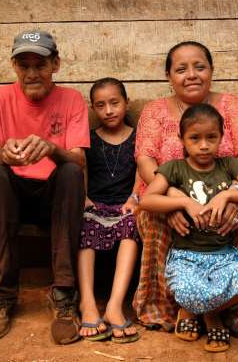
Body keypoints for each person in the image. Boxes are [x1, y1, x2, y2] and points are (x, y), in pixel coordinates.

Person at [133, 41, 238, 340]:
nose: (191, 75)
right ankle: (174, 307)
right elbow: (145, 160)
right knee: (152, 215)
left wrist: (231, 197)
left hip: (228, 193)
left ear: (211, 71)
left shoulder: (232, 104)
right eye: (181, 69)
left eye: (199, 67)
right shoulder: (154, 111)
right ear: (168, 75)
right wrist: (177, 200)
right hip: (167, 196)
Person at [0, 29, 89, 344]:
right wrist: (5, 155)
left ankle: (64, 294)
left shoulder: (71, 99)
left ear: (56, 64)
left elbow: (78, 160)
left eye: (39, 65)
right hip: (12, 196)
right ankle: (0, 297)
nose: (31, 73)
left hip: (53, 198)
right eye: (23, 65)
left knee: (69, 172)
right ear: (14, 67)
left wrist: (52, 148)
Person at [140, 104, 238, 352]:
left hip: (222, 257)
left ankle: (194, 312)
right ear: (181, 139)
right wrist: (183, 202)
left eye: (212, 137)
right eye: (195, 138)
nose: (203, 145)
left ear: (221, 137)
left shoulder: (228, 166)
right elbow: (147, 200)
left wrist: (227, 197)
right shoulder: (174, 168)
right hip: (186, 258)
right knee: (187, 288)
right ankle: (212, 317)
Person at [78, 77, 141, 343]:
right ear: (93, 108)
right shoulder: (89, 140)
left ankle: (115, 304)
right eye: (100, 105)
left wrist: (134, 197)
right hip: (95, 204)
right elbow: (82, 169)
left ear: (126, 102)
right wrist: (84, 198)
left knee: (130, 226)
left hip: (125, 205)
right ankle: (87, 302)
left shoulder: (138, 137)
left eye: (115, 103)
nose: (109, 110)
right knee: (85, 225)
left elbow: (142, 168)